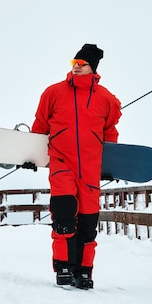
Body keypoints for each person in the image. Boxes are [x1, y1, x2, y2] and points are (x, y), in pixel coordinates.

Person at [30, 44, 122, 289]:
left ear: (93, 68)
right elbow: (40, 127)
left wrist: (109, 164)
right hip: (61, 162)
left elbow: (110, 132)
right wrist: (31, 155)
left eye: (82, 64)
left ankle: (84, 271)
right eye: (74, 63)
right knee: (63, 214)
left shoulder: (107, 100)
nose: (77, 67)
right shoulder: (53, 93)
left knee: (88, 221)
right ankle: (63, 266)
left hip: (91, 169)